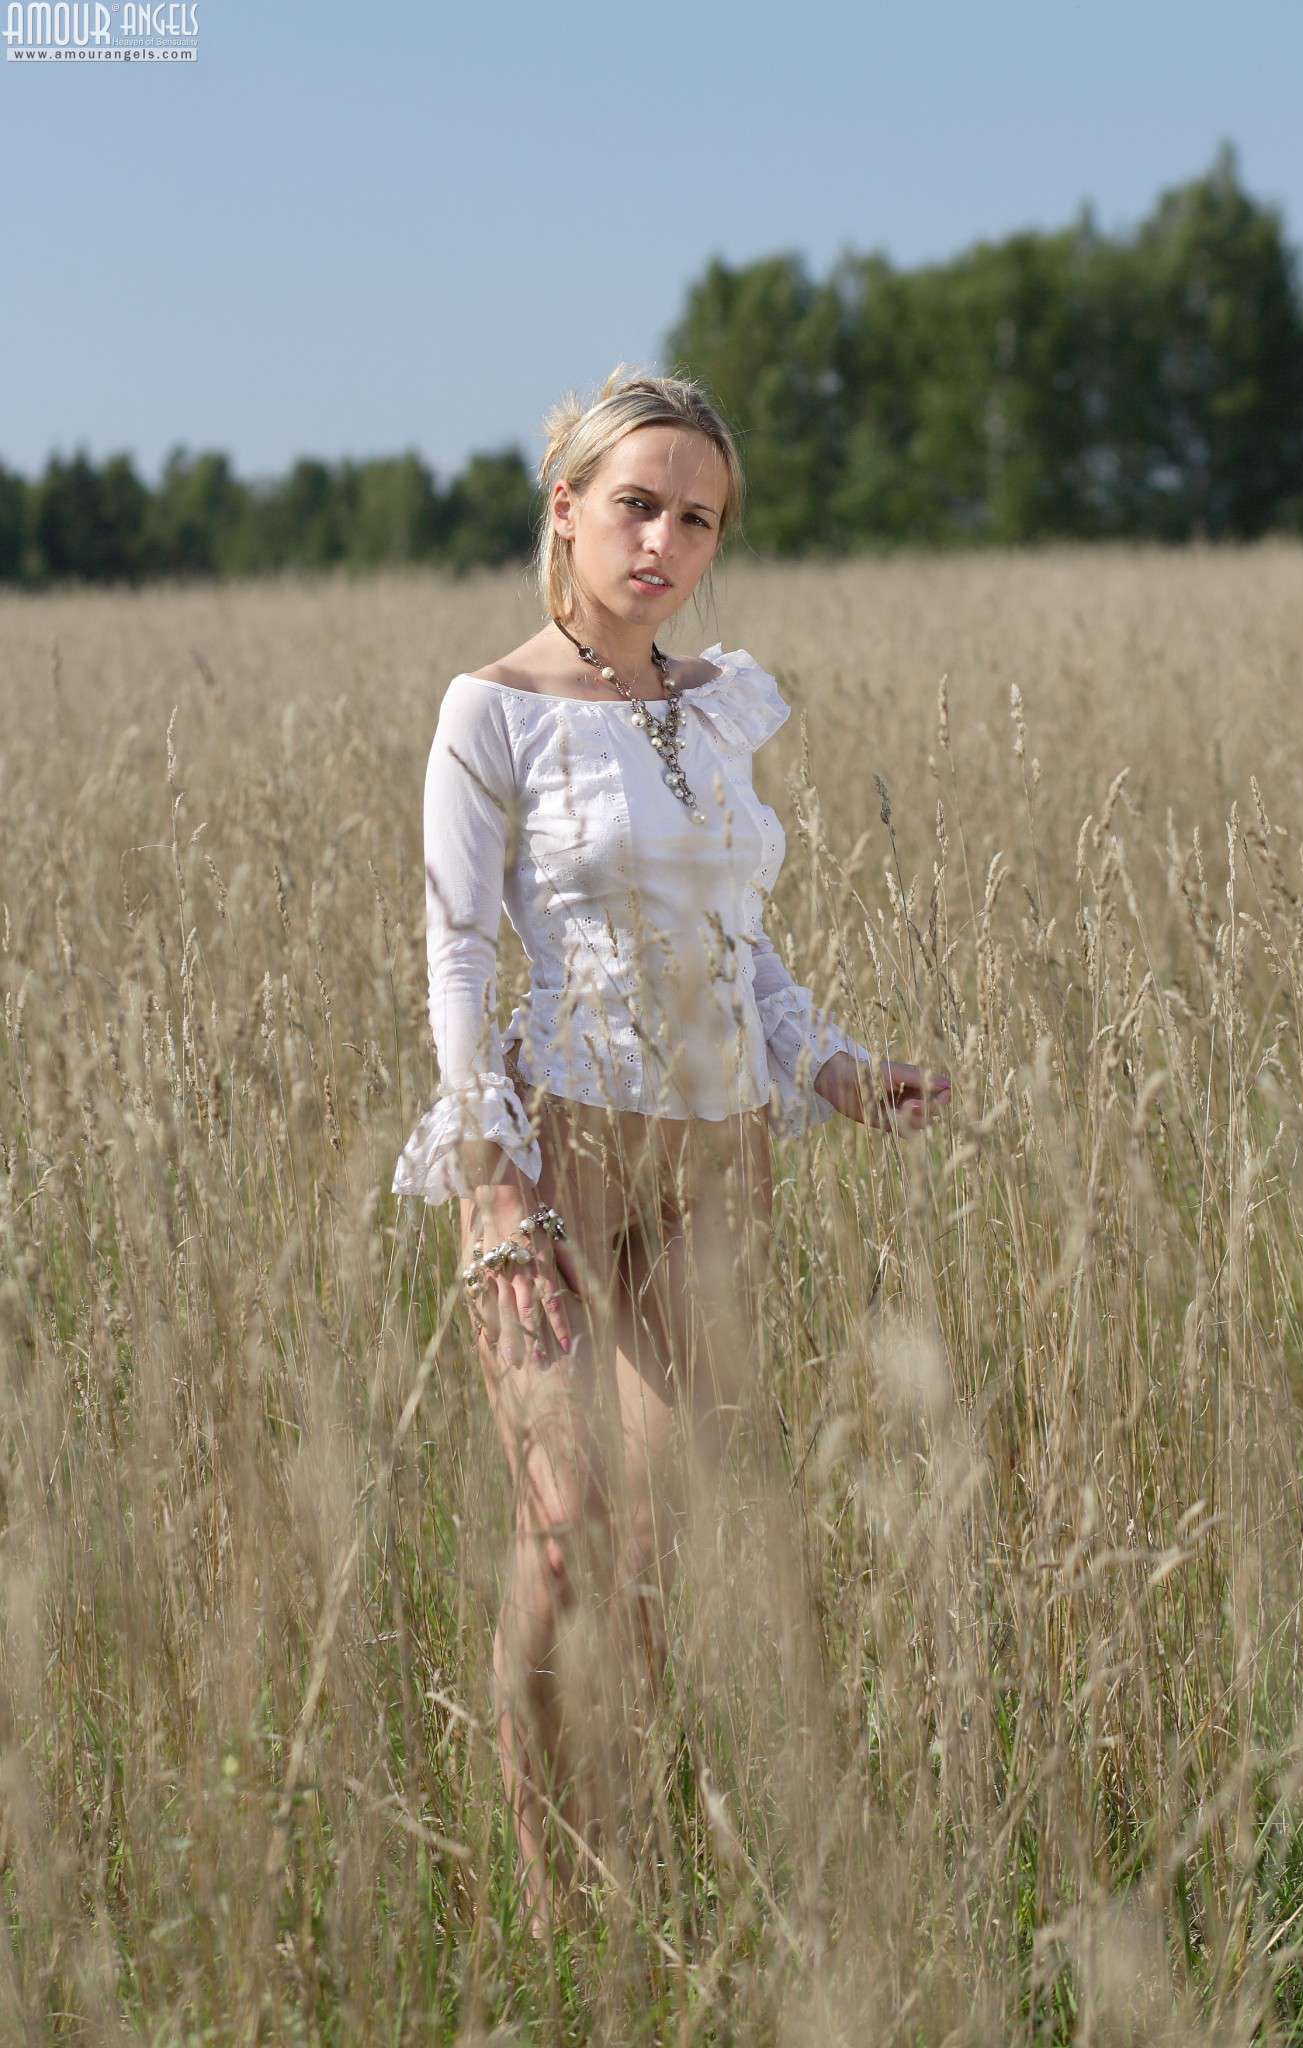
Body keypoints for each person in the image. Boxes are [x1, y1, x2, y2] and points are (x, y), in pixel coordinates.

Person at [392, 364, 950, 1936]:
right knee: (563, 1534)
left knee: (646, 1539)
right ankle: (547, 1901)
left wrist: (835, 1068)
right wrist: (490, 1173)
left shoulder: (717, 702)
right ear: (566, 508)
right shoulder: (491, 709)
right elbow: (456, 951)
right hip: (558, 1149)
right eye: (636, 506)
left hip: (719, 1160)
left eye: (696, 520)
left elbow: (736, 947)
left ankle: (621, 1871)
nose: (664, 544)